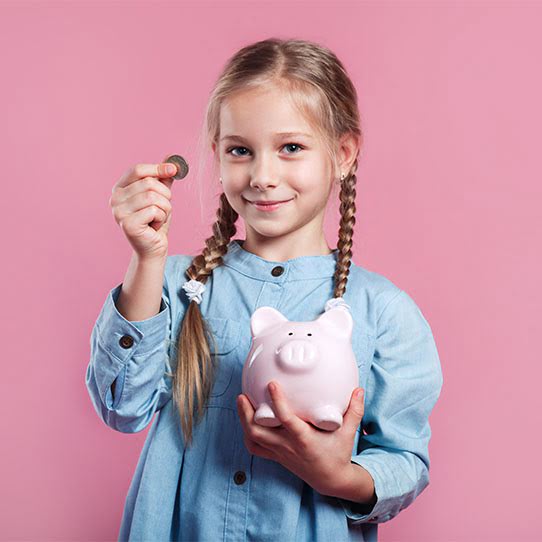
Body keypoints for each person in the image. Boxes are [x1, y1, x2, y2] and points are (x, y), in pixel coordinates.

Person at [85, 38, 443, 542]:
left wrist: (335, 475)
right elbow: (122, 406)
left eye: (291, 148)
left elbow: (404, 462)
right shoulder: (177, 284)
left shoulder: (383, 312)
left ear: (342, 154)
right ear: (217, 154)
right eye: (240, 151)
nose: (262, 176)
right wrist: (146, 258)